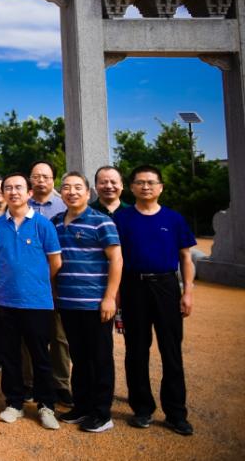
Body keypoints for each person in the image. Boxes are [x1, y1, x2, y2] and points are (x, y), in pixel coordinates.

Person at [112, 165, 196, 436]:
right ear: (131, 187)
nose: (145, 187)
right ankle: (142, 408)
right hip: (133, 286)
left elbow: (186, 258)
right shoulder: (121, 219)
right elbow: (115, 259)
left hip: (166, 286)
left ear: (160, 187)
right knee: (136, 349)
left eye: (151, 182)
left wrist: (188, 292)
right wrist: (115, 295)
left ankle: (176, 413)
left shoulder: (174, 218)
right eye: (140, 182)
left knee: (171, 350)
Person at [0, 173, 62, 429]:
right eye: (8, 187)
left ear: (29, 193)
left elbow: (55, 262)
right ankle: (14, 403)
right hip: (3, 300)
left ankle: (46, 405)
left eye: (18, 187)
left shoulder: (43, 225)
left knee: (40, 356)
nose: (13, 191)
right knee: (9, 355)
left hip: (36, 302)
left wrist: (34, 280)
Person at [52, 171, 123, 433]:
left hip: (95, 303)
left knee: (100, 358)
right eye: (66, 187)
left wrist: (110, 298)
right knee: (79, 357)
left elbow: (116, 259)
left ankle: (102, 413)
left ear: (88, 192)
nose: (71, 192)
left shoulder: (101, 221)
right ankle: (82, 406)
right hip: (68, 302)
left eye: (77, 187)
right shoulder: (56, 222)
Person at [27, 160, 72, 406]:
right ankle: (29, 382)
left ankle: (60, 383)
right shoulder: (22, 204)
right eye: (36, 176)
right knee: (28, 335)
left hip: (56, 279)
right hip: (27, 281)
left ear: (53, 179)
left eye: (45, 176)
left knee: (58, 336)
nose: (41, 180)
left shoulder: (64, 205)